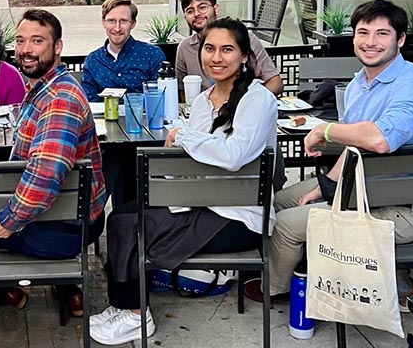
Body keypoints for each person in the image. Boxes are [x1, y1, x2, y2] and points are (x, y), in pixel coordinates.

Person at [89, 20, 278, 344]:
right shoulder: (204, 101)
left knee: (133, 228)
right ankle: (125, 304)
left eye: (227, 49)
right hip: (202, 200)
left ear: (245, 56)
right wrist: (176, 154)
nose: (216, 57)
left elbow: (234, 155)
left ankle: (135, 315)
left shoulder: (257, 99)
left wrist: (184, 136)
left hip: (238, 217)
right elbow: (196, 157)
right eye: (209, 48)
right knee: (119, 216)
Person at [252, 0, 413, 302]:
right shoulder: (358, 84)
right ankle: (302, 269)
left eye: (382, 34)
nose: (370, 42)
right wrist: (327, 186)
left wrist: (324, 130)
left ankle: (275, 290)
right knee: (280, 200)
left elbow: (380, 140)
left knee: (286, 224)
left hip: (399, 209)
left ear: (400, 39)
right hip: (361, 189)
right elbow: (355, 146)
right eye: (363, 33)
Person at [0, 8, 106, 317]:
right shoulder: (47, 88)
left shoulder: (59, 99)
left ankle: (1, 289)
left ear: (57, 47)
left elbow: (46, 175)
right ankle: (63, 285)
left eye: (37, 41)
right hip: (68, 220)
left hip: (66, 231)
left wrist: (9, 220)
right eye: (20, 41)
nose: (26, 50)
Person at [174, 0, 283, 97]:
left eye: (202, 7)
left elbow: (275, 83)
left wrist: (249, 102)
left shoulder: (246, 39)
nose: (197, 14)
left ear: (216, 9)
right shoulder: (185, 48)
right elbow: (182, 92)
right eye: (190, 11)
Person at [80, 0, 164, 100]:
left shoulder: (152, 55)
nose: (117, 28)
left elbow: (159, 98)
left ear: (133, 23)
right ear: (103, 22)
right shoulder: (93, 61)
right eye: (111, 21)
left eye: (123, 21)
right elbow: (89, 104)